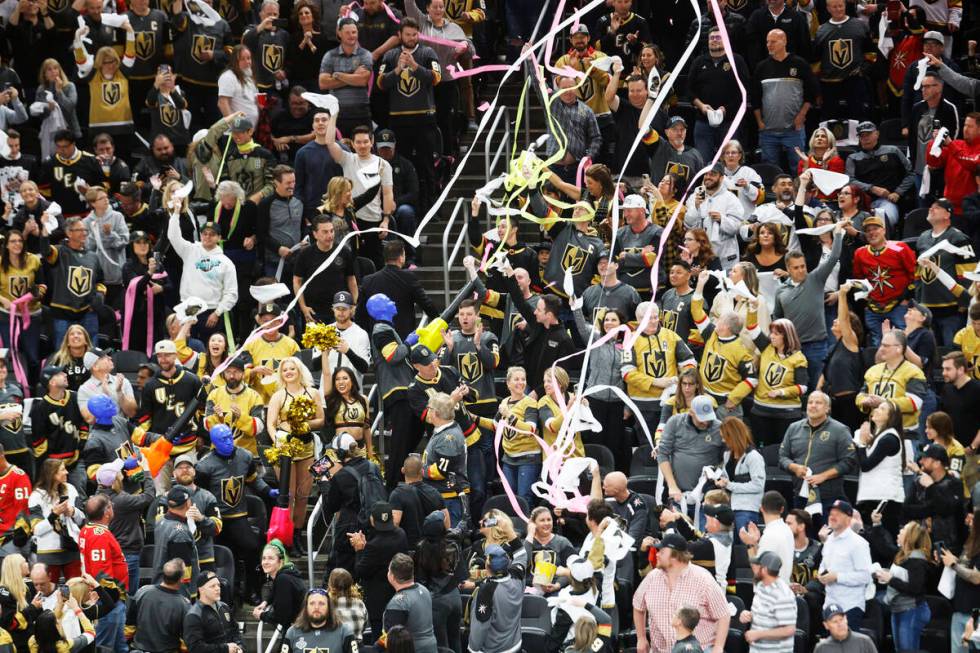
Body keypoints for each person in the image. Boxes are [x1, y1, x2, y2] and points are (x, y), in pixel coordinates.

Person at [376, 18, 441, 211]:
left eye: (415, 34)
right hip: (399, 118)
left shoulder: (428, 52)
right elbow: (380, 83)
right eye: (408, 34)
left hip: (425, 118)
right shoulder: (390, 55)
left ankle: (431, 208)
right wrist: (397, 69)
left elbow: (436, 78)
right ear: (400, 35)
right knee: (400, 166)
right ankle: (403, 206)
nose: (412, 38)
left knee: (428, 166)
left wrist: (414, 66)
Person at [772, 217, 845, 388]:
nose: (801, 270)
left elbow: (833, 257)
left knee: (818, 388)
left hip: (817, 346)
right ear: (788, 269)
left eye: (803, 266)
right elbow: (778, 319)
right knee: (794, 389)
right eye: (796, 268)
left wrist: (839, 233)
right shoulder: (780, 291)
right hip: (792, 348)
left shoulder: (816, 279)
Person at [633, 532, 730, 653]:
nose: (657, 555)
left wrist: (718, 647)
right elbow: (638, 606)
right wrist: (641, 638)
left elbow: (723, 615)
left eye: (662, 552)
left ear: (675, 557)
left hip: (699, 650)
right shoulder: (652, 577)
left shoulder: (703, 579)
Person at [265, 357, 325, 540]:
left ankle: (298, 534)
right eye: (285, 370)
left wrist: (305, 424)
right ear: (281, 374)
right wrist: (279, 440)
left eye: (292, 368)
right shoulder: (278, 395)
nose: (288, 372)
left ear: (299, 370)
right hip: (286, 450)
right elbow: (270, 424)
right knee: (288, 495)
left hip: (307, 447)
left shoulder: (312, 392)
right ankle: (287, 536)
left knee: (303, 494)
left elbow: (321, 420)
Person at [691, 272, 757, 418]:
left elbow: (752, 378)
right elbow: (696, 312)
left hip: (725, 407)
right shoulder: (711, 335)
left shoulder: (740, 351)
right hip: (706, 399)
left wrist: (733, 399)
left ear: (726, 327)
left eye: (719, 320)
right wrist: (700, 285)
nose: (716, 321)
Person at [778, 391, 857, 514]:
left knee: (825, 533)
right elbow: (782, 457)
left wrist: (823, 476)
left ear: (827, 408)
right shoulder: (793, 428)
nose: (813, 405)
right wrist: (794, 467)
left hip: (828, 496)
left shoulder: (840, 430)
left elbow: (849, 461)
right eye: (810, 402)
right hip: (800, 495)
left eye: (818, 403)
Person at [751, 29, 818, 171]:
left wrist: (802, 115)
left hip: (793, 130)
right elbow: (755, 97)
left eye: (773, 41)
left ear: (784, 41)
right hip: (768, 131)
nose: (769, 45)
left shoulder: (800, 64)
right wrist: (759, 122)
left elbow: (811, 93)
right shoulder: (761, 67)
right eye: (767, 42)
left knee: (799, 169)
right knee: (769, 170)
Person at [746, 308, 809, 446]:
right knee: (763, 451)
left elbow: (803, 387)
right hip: (761, 411)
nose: (772, 336)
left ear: (786, 336)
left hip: (787, 414)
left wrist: (782, 392)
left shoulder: (799, 358)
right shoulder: (766, 347)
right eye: (771, 333)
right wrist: (753, 308)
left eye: (776, 334)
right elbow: (751, 327)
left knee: (782, 452)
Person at [916, 198, 974, 344]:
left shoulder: (958, 237)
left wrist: (964, 303)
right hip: (926, 308)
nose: (931, 209)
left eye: (936, 207)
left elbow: (968, 273)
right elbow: (918, 272)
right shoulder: (922, 237)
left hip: (951, 310)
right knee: (932, 356)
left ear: (947, 215)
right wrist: (918, 298)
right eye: (930, 206)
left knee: (951, 352)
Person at [852, 216, 917, 346]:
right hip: (873, 308)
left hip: (899, 305)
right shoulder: (860, 253)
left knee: (903, 342)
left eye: (875, 228)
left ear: (884, 230)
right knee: (878, 343)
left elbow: (915, 274)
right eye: (868, 230)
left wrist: (906, 298)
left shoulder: (900, 248)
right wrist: (865, 299)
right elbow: (858, 279)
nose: (871, 232)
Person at [870, 520, 933, 653]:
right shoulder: (902, 555)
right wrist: (884, 575)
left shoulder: (917, 560)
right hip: (897, 608)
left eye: (903, 530)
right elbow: (883, 547)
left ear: (910, 536)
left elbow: (915, 588)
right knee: (900, 650)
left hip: (912, 610)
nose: (899, 532)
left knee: (907, 650)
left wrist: (890, 579)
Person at [43, 216, 106, 347]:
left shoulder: (93, 256)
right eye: (80, 230)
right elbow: (45, 251)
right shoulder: (59, 251)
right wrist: (44, 230)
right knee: (62, 353)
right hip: (62, 312)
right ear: (69, 233)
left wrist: (100, 295)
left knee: (91, 353)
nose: (84, 233)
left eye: (85, 230)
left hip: (88, 312)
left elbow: (100, 282)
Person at [77, 493, 128, 653]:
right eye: (111, 505)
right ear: (107, 511)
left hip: (106, 599)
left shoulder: (87, 529)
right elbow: (101, 573)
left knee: (120, 646)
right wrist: (111, 600)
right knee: (105, 647)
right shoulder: (99, 536)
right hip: (107, 601)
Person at [351, 502, 409, 641]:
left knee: (380, 638)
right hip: (399, 594)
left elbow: (360, 571)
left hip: (378, 600)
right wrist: (366, 548)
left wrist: (360, 550)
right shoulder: (401, 534)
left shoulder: (374, 545)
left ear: (372, 519)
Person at [658, 395, 724, 516]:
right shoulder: (675, 422)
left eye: (708, 418)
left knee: (706, 532)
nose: (705, 422)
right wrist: (672, 486)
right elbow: (662, 453)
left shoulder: (719, 427)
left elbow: (728, 456)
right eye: (701, 418)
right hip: (679, 493)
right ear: (691, 413)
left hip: (707, 494)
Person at [845, 121, 916, 229]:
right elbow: (849, 180)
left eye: (868, 134)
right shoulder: (853, 158)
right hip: (862, 202)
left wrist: (898, 192)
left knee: (882, 220)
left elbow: (911, 173)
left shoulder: (893, 151)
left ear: (877, 134)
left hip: (888, 200)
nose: (865, 138)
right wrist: (872, 188)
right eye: (861, 136)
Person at [817, 499, 873, 631]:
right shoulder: (829, 540)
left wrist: (837, 577)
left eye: (838, 513)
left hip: (850, 607)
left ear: (849, 519)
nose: (832, 516)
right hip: (829, 606)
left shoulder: (859, 544)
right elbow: (823, 565)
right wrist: (821, 575)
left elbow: (865, 577)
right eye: (831, 513)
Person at [854, 400, 906, 534]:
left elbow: (866, 466)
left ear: (890, 417)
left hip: (885, 498)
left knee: (885, 541)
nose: (876, 410)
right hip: (876, 495)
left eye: (882, 409)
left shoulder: (889, 439)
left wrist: (862, 444)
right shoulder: (881, 437)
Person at [293, 217, 357, 324]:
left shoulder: (344, 251)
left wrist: (353, 304)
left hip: (339, 309)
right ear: (315, 234)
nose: (330, 235)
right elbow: (297, 281)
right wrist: (303, 307)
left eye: (332, 231)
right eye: (325, 232)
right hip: (314, 310)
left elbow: (351, 279)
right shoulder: (305, 254)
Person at [29, 459, 83, 583]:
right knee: (48, 593)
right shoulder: (37, 496)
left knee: (77, 590)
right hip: (48, 552)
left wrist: (72, 512)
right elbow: (37, 530)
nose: (67, 472)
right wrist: (54, 514)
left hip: (72, 548)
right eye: (63, 470)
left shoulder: (71, 489)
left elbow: (82, 519)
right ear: (52, 473)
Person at [684, 163, 744, 272]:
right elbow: (688, 225)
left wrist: (722, 219)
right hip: (700, 256)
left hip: (724, 255)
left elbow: (737, 227)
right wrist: (696, 207)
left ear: (721, 178)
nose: (708, 177)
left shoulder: (731, 198)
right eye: (706, 174)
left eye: (713, 174)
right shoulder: (695, 196)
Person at [904, 444, 964, 551]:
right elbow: (907, 511)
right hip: (922, 546)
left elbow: (947, 510)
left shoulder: (954, 484)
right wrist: (931, 509)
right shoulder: (919, 482)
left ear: (937, 463)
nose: (921, 461)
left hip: (949, 548)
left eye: (925, 459)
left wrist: (931, 487)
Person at [126, 558, 192, 653]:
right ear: (181, 579)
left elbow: (129, 627)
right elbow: (185, 645)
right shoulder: (184, 605)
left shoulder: (143, 591)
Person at [466, 544, 524, 653]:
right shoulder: (518, 576)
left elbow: (480, 627)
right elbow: (522, 556)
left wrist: (472, 649)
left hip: (495, 649)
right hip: (516, 645)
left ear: (487, 564)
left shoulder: (486, 591)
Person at [717, 417, 766, 540]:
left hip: (747, 509)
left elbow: (758, 485)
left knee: (743, 548)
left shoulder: (754, 457)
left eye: (725, 437)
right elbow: (727, 477)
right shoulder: (727, 455)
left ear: (733, 436)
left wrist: (729, 485)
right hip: (730, 507)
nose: (723, 441)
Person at [738, 550, 796, 653]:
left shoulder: (782, 595)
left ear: (764, 570)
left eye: (757, 565)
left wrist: (758, 634)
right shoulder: (760, 586)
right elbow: (766, 614)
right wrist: (748, 615)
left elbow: (789, 630)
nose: (753, 568)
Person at [380, 553, 437, 653]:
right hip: (431, 648)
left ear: (392, 576)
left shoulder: (397, 604)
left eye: (389, 570)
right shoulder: (424, 590)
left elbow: (391, 641)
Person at [739, 491, 794, 584]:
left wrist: (749, 544)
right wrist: (755, 543)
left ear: (761, 508)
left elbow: (758, 572)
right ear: (782, 509)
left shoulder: (770, 535)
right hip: (781, 590)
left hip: (770, 595)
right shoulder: (787, 530)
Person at [182, 570, 243, 653]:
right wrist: (225, 649)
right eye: (212, 586)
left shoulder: (224, 607)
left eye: (218, 585)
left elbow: (235, 631)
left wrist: (240, 647)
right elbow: (195, 648)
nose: (218, 588)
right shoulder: (194, 615)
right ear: (201, 590)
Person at [282, 588, 358, 653]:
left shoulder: (344, 632)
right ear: (306, 607)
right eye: (312, 603)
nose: (316, 607)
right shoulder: (292, 633)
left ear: (329, 607)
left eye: (321, 603)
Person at [252, 541, 307, 630]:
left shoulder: (283, 579)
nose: (265, 562)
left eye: (270, 558)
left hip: (301, 631)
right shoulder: (287, 574)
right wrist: (266, 602)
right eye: (264, 558)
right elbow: (275, 591)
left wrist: (261, 615)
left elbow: (282, 616)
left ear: (280, 561)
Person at [939, 352, 980, 449]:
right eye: (943, 369)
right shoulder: (946, 389)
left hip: (972, 452)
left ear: (961, 370)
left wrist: (973, 446)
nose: (943, 373)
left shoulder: (977, 390)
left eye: (948, 369)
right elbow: (943, 419)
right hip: (951, 449)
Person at [27, 599, 95, 653]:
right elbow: (91, 633)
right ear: (55, 627)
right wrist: (77, 609)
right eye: (57, 622)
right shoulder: (65, 646)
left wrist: (59, 605)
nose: (59, 621)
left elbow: (46, 624)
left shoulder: (32, 642)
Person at [813, 603, 878, 653]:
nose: (840, 624)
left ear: (846, 619)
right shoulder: (822, 648)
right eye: (835, 621)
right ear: (826, 625)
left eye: (841, 619)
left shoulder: (864, 642)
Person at [328, 569, 368, 642]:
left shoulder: (326, 604)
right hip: (356, 647)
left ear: (331, 584)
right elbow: (364, 626)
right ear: (350, 584)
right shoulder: (360, 604)